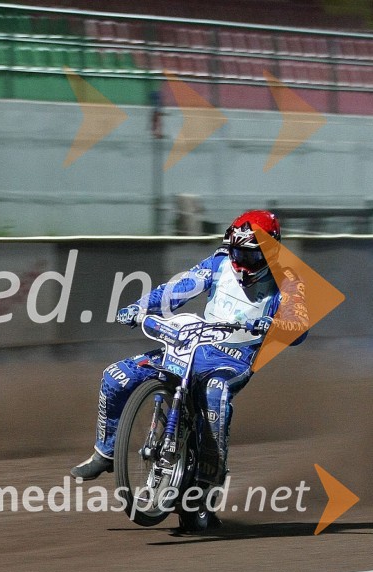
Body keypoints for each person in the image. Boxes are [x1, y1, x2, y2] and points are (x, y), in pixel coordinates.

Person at [70, 210, 308, 528]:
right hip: (191, 345)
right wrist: (139, 307)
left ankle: (203, 493)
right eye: (236, 251)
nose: (240, 261)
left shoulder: (289, 280)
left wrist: (275, 324)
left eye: (248, 255)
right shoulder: (218, 262)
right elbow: (176, 290)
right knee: (117, 376)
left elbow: (300, 326)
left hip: (232, 359)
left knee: (215, 395)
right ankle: (106, 452)